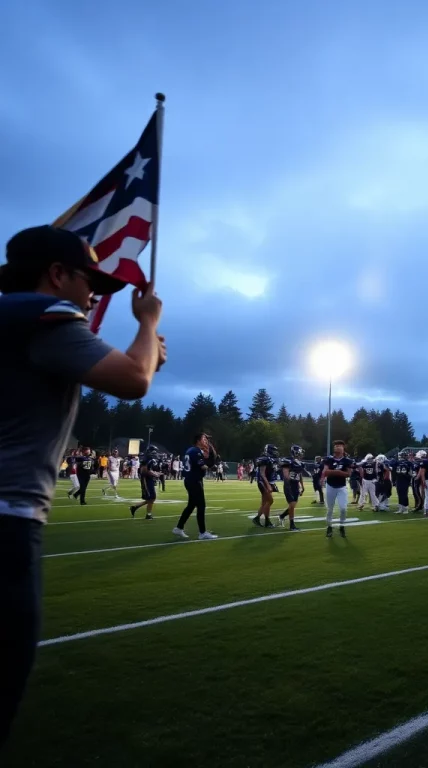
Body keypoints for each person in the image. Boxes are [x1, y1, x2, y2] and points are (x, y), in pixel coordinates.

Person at [0, 224, 164, 749]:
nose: (94, 294)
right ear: (55, 274)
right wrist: (148, 325)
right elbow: (135, 379)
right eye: (86, 278)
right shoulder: (45, 320)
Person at [173, 434, 218, 540]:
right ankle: (202, 533)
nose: (206, 441)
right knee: (201, 506)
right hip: (194, 481)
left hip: (190, 480)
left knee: (191, 506)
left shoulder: (191, 450)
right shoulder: (196, 451)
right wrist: (212, 467)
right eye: (203, 439)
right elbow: (202, 466)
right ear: (198, 441)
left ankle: (179, 528)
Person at [321, 440, 354, 538]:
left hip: (342, 487)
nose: (337, 447)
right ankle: (329, 527)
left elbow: (348, 474)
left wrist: (335, 472)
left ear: (343, 448)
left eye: (339, 446)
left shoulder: (347, 461)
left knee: (343, 508)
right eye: (335, 446)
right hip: (330, 486)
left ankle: (342, 526)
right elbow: (325, 472)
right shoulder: (328, 459)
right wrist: (338, 472)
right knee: (330, 509)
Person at [129, 445, 161, 520]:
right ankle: (148, 515)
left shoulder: (149, 459)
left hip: (149, 479)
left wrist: (155, 473)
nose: (155, 453)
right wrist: (154, 474)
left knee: (152, 498)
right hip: (146, 480)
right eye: (154, 451)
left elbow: (149, 469)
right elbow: (144, 471)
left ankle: (135, 507)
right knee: (152, 497)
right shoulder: (146, 459)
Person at [278, 444, 304, 531]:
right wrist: (288, 485)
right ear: (296, 452)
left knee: (293, 505)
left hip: (296, 485)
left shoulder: (300, 463)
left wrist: (302, 485)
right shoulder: (288, 461)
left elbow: (299, 475)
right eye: (300, 452)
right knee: (292, 505)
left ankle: (282, 516)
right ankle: (292, 525)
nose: (301, 454)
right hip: (289, 484)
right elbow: (286, 475)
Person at [253, 444, 279, 528]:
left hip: (267, 482)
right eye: (274, 450)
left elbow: (270, 474)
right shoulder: (264, 459)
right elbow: (262, 474)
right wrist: (268, 485)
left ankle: (267, 521)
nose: (275, 452)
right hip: (263, 482)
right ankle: (257, 518)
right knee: (270, 501)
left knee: (265, 502)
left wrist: (272, 484)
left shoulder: (271, 460)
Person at [392, 450, 412, 514]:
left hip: (405, 480)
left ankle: (405, 508)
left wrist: (408, 477)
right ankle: (400, 508)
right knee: (399, 494)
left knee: (404, 494)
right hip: (399, 479)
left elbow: (411, 473)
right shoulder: (397, 462)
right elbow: (392, 468)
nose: (402, 457)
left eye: (403, 456)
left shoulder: (409, 463)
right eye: (401, 456)